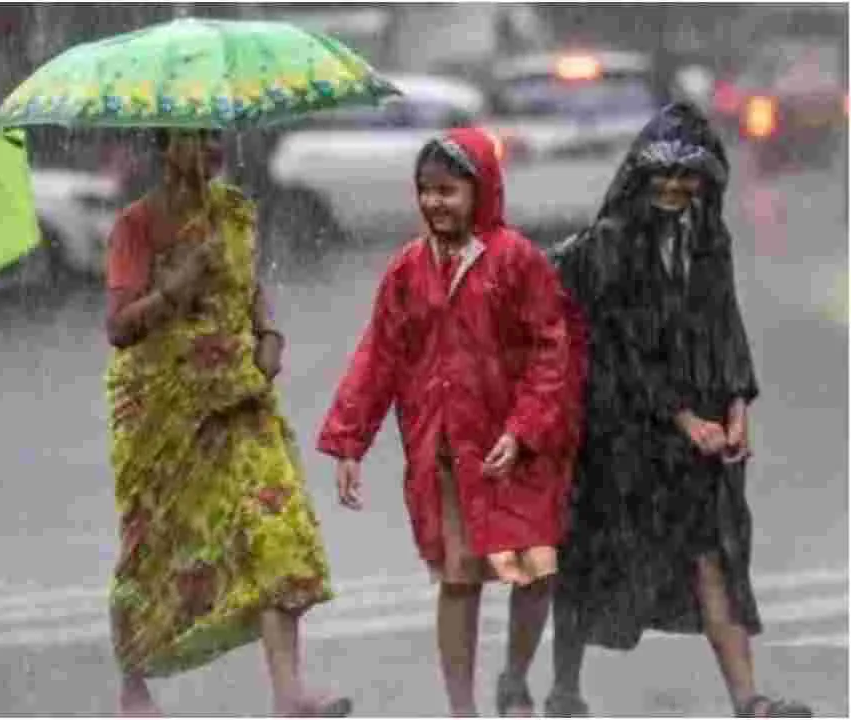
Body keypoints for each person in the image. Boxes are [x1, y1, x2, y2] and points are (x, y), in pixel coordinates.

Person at [544, 102, 812, 718]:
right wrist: (683, 418)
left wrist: (738, 405)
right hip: (620, 431)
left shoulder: (708, 237)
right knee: (589, 556)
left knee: (714, 557)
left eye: (686, 174)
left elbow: (725, 325)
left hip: (702, 431)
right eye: (661, 173)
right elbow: (619, 345)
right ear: (640, 174)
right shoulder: (611, 244)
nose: (673, 185)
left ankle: (749, 700)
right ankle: (564, 689)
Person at [317, 128, 580, 717]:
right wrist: (350, 442)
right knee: (458, 580)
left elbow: (551, 353)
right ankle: (462, 710)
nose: (434, 202)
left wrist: (524, 428)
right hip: (447, 454)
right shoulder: (408, 270)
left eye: (448, 190)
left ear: (481, 190)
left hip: (515, 452)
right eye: (425, 190)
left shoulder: (517, 261)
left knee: (534, 573)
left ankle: (514, 676)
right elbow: (378, 357)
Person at [104, 128, 349, 717]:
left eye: (216, 135)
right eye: (196, 138)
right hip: (164, 414)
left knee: (276, 526)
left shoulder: (235, 211)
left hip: (240, 399)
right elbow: (118, 327)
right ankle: (134, 685)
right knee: (155, 546)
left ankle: (290, 693)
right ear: (165, 146)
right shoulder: (137, 226)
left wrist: (269, 333)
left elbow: (250, 287)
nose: (212, 148)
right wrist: (174, 290)